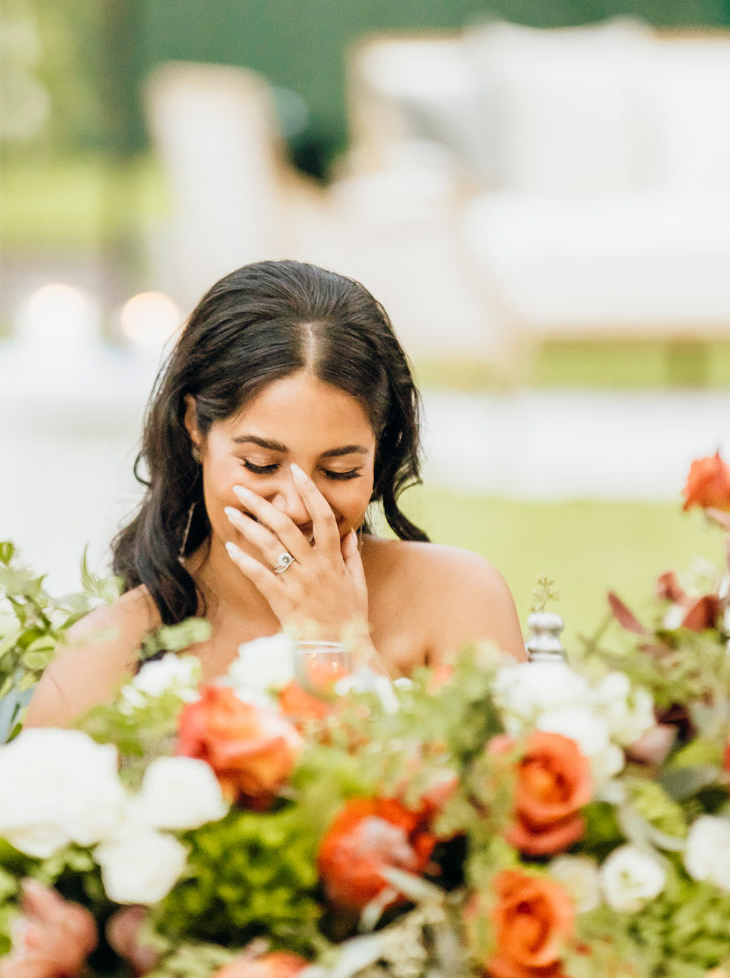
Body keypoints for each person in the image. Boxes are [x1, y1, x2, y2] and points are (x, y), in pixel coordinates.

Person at [29, 260, 522, 727]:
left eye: (339, 471)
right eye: (261, 465)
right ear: (194, 426)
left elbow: (489, 806)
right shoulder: (108, 649)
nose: (295, 505)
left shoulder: (456, 596)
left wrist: (333, 638)